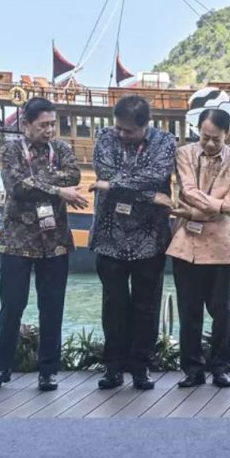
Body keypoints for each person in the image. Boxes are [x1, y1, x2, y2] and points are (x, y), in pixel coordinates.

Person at [0, 98, 87, 391]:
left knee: (52, 306)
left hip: (55, 242)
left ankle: (48, 371)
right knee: (12, 307)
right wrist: (57, 189)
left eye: (52, 124)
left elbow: (75, 176)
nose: (50, 130)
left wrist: (39, 182)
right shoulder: (10, 150)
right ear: (25, 125)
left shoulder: (63, 149)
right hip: (17, 241)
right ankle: (1, 368)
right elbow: (16, 186)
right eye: (43, 125)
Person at [90, 95, 176, 391]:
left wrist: (115, 186)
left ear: (145, 125)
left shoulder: (165, 142)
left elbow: (156, 175)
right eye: (119, 129)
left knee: (146, 305)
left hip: (150, 238)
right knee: (113, 304)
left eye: (129, 131)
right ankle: (113, 367)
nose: (122, 135)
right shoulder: (104, 137)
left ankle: (141, 367)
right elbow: (105, 174)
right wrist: (149, 196)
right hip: (109, 236)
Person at [168, 109, 230, 389]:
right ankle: (192, 369)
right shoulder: (185, 154)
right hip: (184, 245)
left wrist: (193, 212)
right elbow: (187, 190)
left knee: (222, 311)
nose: (210, 144)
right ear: (198, 132)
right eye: (205, 137)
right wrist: (221, 207)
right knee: (189, 312)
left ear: (227, 134)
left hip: (221, 246)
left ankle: (222, 367)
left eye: (216, 139)